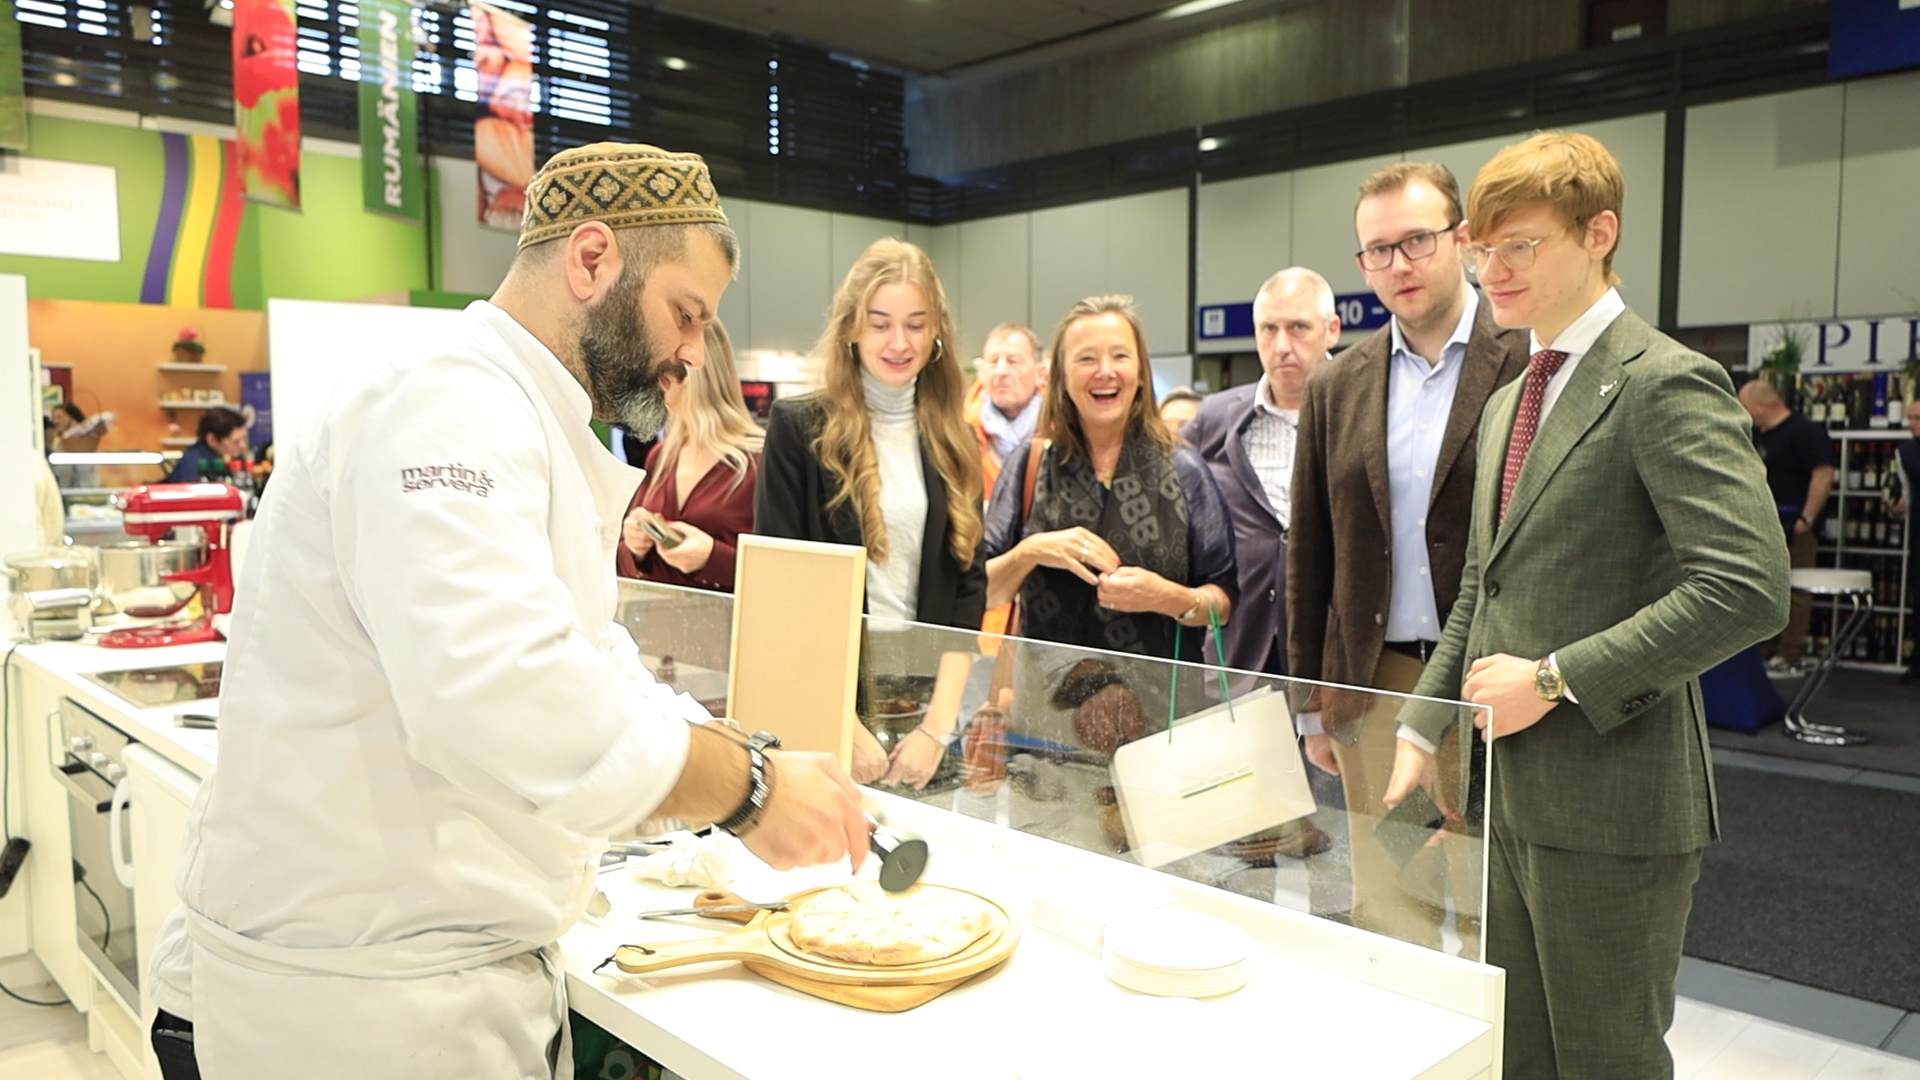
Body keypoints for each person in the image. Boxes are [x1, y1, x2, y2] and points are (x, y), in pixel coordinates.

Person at [145, 143, 868, 1080]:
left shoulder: (518, 413)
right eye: (685, 313)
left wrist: (736, 750)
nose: (693, 351)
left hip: (419, 977)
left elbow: (589, 655)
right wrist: (746, 788)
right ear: (593, 259)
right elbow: (500, 683)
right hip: (351, 1003)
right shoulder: (442, 398)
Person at [1384, 132, 1789, 1079]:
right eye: (1482, 249)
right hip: (1506, 795)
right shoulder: (1509, 400)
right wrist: (1420, 724)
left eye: (1520, 246)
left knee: (1607, 1061)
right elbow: (1483, 585)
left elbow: (1746, 585)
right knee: (1515, 1055)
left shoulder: (1664, 382)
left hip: (1614, 804)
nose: (1493, 270)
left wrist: (1555, 680)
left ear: (1598, 234)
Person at [1286, 162, 1529, 954]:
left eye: (1417, 241)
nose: (1399, 265)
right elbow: (1310, 553)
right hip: (1382, 686)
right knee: (1395, 906)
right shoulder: (1337, 386)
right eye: (1378, 251)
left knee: (1496, 909)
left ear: (1462, 240)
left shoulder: (1530, 358)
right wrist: (1312, 701)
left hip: (1497, 683)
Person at [755, 237, 986, 789]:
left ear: (936, 332)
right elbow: (782, 591)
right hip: (828, 701)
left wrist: (937, 729)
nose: (899, 342)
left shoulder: (955, 438)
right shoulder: (798, 428)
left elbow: (967, 590)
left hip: (928, 714)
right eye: (880, 324)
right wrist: (839, 720)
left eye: (915, 324)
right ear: (851, 328)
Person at [984, 294, 1237, 676]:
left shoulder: (1184, 469)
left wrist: (1168, 598)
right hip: (1047, 705)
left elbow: (1224, 603)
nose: (1105, 371)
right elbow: (981, 591)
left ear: (1141, 372)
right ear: (1061, 377)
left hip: (1162, 706)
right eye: (1086, 358)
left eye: (1120, 356)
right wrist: (1031, 551)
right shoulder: (1031, 463)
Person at [1187, 268, 1339, 678]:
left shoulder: (1366, 410)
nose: (1282, 346)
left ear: (1332, 330)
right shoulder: (1215, 418)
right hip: (1238, 653)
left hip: (1333, 655)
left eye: (1299, 328)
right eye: (1269, 330)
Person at [617, 318, 761, 591]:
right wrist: (635, 547)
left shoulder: (757, 464)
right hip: (655, 616)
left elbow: (780, 574)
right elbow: (627, 567)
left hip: (727, 618)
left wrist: (712, 558)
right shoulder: (662, 457)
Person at [1738, 378, 1835, 677]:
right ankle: (1764, 650)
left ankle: (1790, 653)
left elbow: (1823, 474)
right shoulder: (1757, 436)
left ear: (1762, 406)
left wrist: (1807, 518)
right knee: (1764, 589)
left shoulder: (1805, 431)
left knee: (1797, 591)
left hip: (1796, 526)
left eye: (1745, 407)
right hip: (1763, 526)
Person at [967, 322, 1047, 496]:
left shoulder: (1063, 431)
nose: (1001, 371)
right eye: (993, 362)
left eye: (1013, 361)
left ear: (1040, 374)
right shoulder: (964, 438)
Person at [1892, 399, 1920, 683]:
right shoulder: (1905, 452)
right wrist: (1897, 506)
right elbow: (1905, 494)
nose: (1913, 424)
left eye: (1918, 418)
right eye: (1910, 418)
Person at [164, 406, 249, 483]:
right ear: (212, 440)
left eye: (244, 439)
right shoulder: (192, 463)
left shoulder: (235, 457)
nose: (243, 445)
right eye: (236, 441)